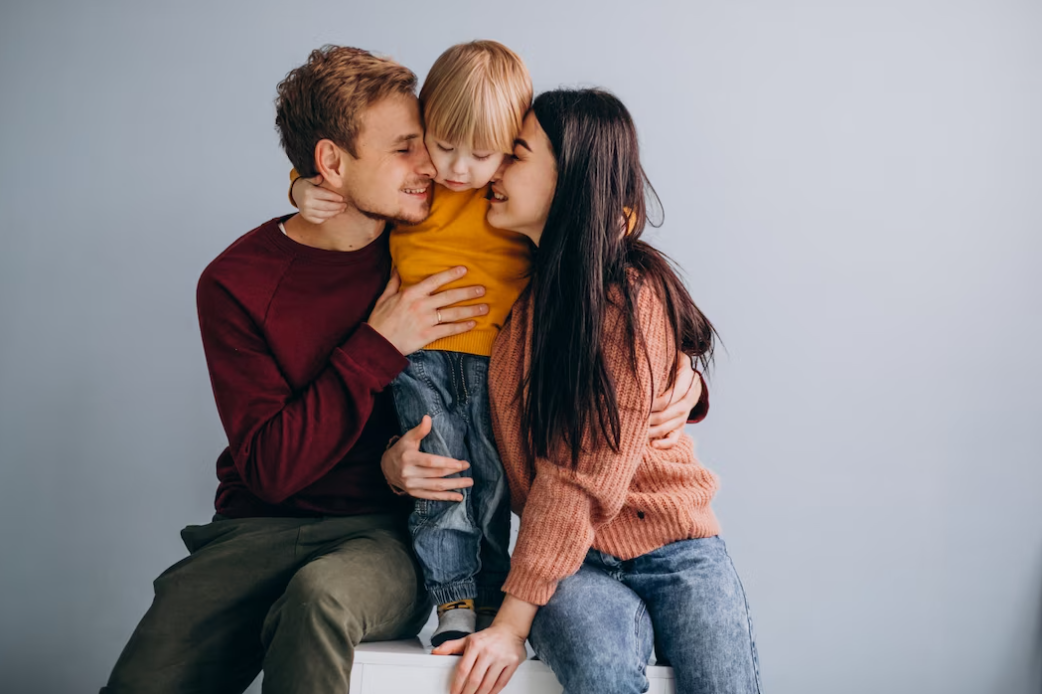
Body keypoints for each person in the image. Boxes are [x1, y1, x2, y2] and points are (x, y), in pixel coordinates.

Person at [101, 46, 702, 693]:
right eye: (407, 149)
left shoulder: (465, 223)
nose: (435, 170)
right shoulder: (245, 280)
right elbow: (272, 469)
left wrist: (682, 378)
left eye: (429, 143)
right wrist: (377, 343)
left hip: (382, 535)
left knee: (326, 595)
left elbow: (598, 279)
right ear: (332, 165)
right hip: (254, 524)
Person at [436, 89, 762, 694]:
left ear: (571, 176)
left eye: (517, 155)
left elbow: (579, 472)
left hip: (677, 546)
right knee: (600, 673)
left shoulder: (630, 292)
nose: (492, 172)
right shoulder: (515, 298)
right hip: (571, 560)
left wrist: (511, 623)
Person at [293, 40, 533, 646]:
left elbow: (588, 210)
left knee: (492, 482)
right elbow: (349, 176)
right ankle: (452, 601)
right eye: (439, 143)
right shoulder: (415, 190)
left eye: (478, 154)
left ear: (507, 148)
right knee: (441, 477)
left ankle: (489, 603)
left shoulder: (507, 189)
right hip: (418, 356)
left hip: (499, 362)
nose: (454, 168)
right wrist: (300, 185)